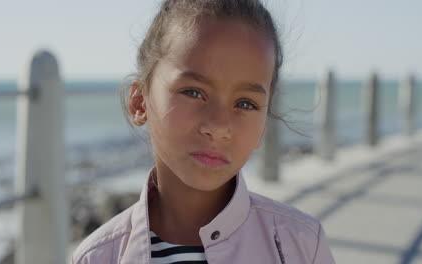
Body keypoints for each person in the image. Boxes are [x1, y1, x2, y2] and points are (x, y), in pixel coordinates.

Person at [72, 0, 335, 263]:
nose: (218, 127)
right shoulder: (98, 257)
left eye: (245, 103)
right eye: (193, 92)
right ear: (140, 102)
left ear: (263, 123)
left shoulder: (301, 246)